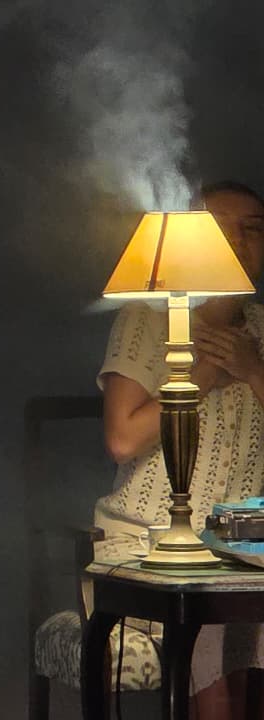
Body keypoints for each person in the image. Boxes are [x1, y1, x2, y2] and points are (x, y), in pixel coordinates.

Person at [97, 181, 264, 719]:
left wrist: (252, 370)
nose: (238, 244)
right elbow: (122, 439)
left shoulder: (261, 330)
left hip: (246, 545)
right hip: (149, 544)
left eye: (253, 231)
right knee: (211, 625)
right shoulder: (148, 321)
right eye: (222, 230)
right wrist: (205, 373)